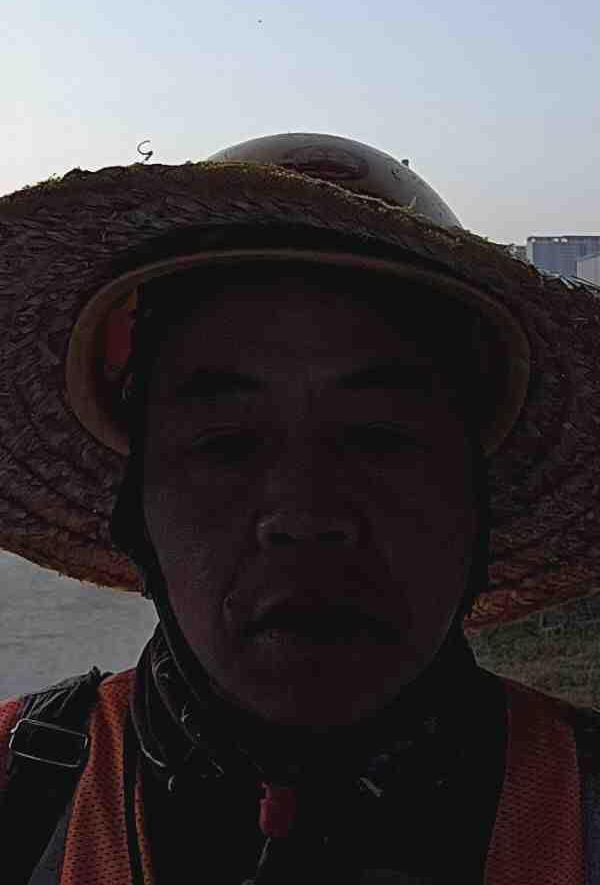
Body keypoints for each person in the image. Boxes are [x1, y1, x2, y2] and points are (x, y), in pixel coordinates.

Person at [0, 133, 599, 884]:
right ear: (137, 508)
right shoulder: (18, 791)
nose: (305, 515)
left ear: (477, 497)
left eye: (380, 437)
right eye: (226, 445)